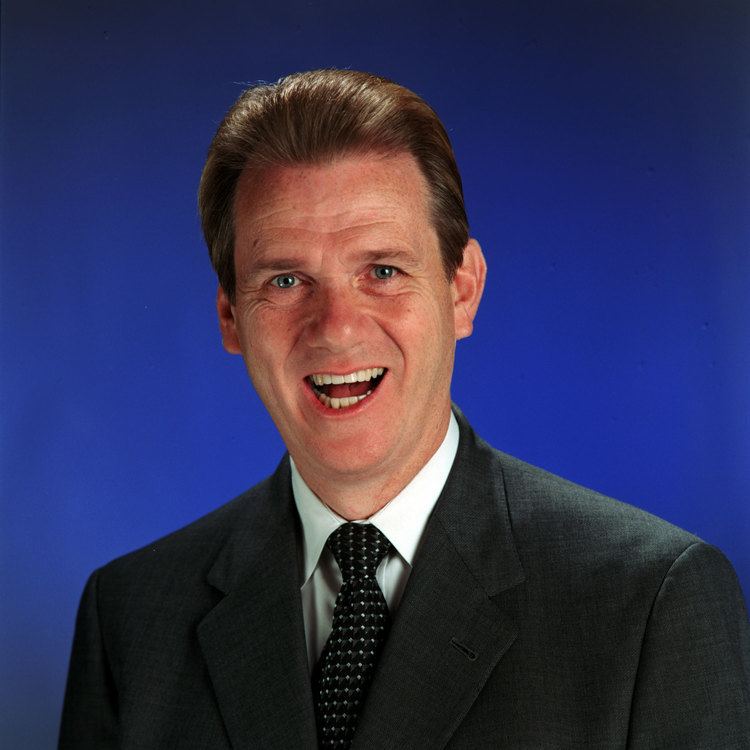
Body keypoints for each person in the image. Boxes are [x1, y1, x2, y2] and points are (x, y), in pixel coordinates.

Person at [60, 69, 750, 749]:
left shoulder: (650, 604)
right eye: (287, 279)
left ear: (462, 291)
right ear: (231, 318)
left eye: (382, 271)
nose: (336, 327)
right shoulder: (129, 620)